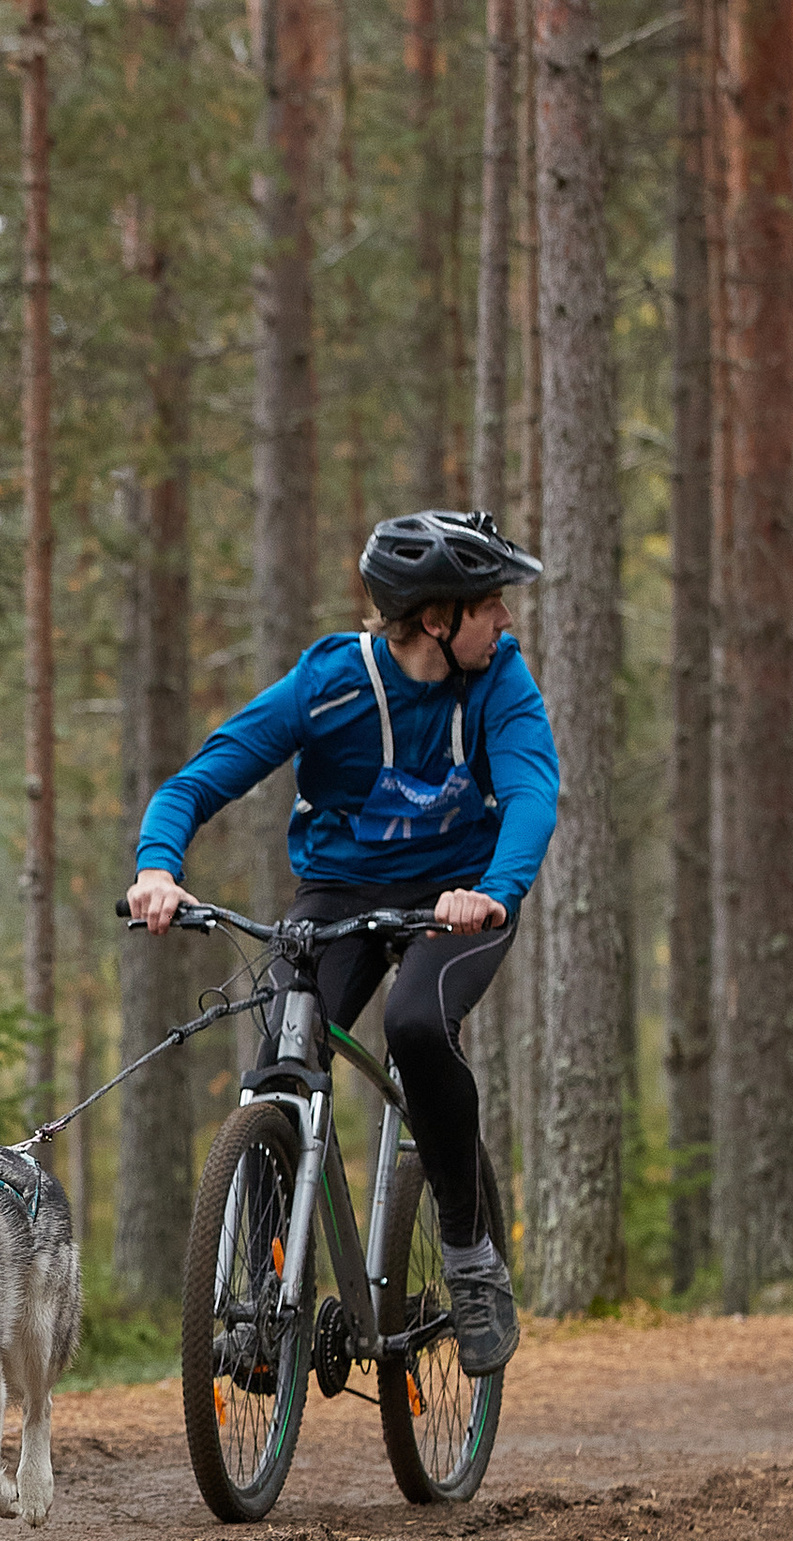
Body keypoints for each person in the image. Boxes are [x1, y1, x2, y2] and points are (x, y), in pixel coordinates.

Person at [123, 509, 557, 1375]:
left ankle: (471, 1259)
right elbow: (199, 779)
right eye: (489, 605)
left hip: (460, 897)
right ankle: (261, 1292)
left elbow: (533, 794)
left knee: (418, 1027)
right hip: (340, 892)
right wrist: (158, 870)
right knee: (280, 1067)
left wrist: (492, 895)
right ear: (436, 618)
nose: (505, 622)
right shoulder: (331, 683)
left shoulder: (500, 681)